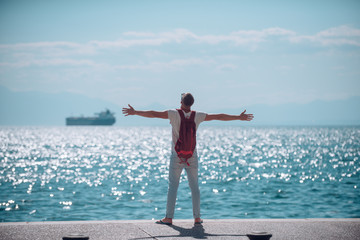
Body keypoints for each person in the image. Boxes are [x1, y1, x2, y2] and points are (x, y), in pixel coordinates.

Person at [122, 93, 254, 225]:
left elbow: (153, 113)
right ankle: (197, 218)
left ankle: (168, 217)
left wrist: (135, 112)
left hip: (177, 156)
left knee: (173, 187)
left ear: (181, 101)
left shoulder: (173, 114)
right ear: (192, 103)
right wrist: (238, 117)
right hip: (192, 156)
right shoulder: (198, 116)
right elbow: (219, 116)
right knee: (194, 187)